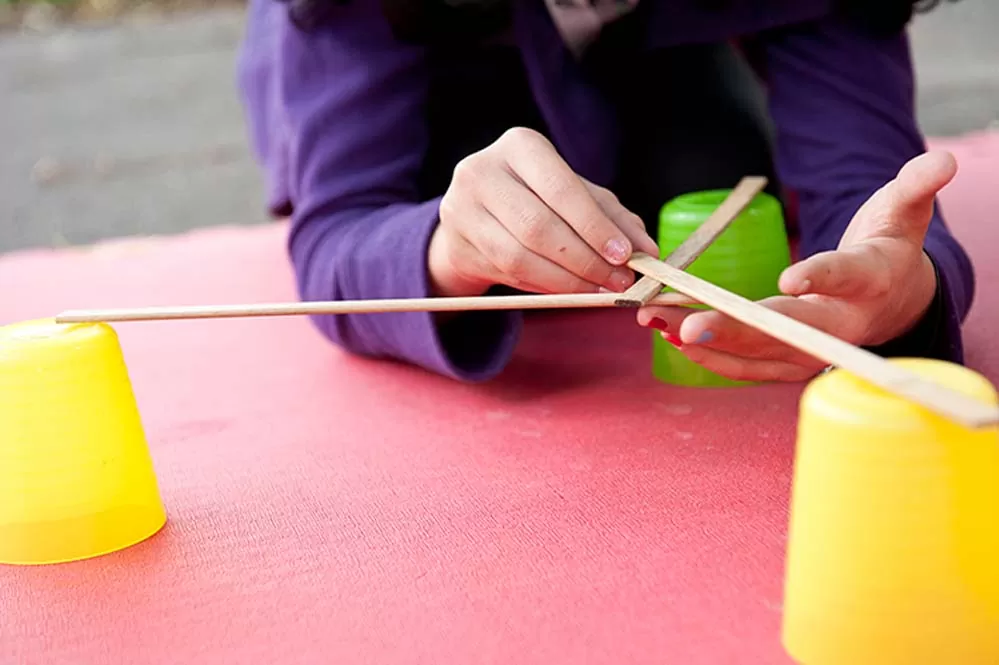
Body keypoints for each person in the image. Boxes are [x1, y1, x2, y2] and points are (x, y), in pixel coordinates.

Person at [236, 0, 974, 383]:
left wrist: (900, 289)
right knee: (486, 200)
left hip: (652, 56)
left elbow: (866, 190)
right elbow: (338, 241)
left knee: (708, 169)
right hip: (436, 74)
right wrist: (443, 247)